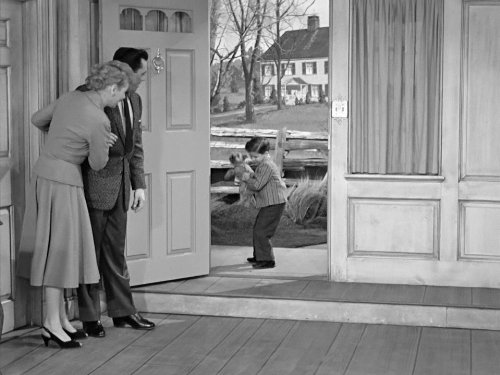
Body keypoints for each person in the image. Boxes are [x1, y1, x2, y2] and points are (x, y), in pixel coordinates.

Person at [16, 61, 131, 348]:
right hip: (64, 181)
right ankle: (50, 324)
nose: (121, 101)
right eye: (121, 95)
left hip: (44, 173)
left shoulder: (71, 97)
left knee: (59, 249)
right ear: (112, 88)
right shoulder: (99, 120)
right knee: (59, 251)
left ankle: (60, 320)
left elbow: (36, 119)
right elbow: (97, 163)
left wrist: (64, 136)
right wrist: (103, 143)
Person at [77, 47, 155, 337]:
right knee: (89, 253)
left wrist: (139, 184)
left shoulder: (134, 99)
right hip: (94, 184)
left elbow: (136, 145)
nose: (144, 79)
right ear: (125, 70)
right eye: (142, 73)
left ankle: (123, 312)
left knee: (115, 253)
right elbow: (73, 130)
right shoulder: (90, 94)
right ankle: (88, 317)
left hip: (122, 187)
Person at [239, 137, 287, 269]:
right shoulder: (263, 163)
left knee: (262, 231)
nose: (252, 159)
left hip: (275, 202)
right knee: (258, 228)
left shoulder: (266, 165)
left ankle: (267, 260)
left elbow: (257, 185)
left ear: (265, 153)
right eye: (251, 156)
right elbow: (258, 178)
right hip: (270, 202)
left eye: (255, 157)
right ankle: (259, 256)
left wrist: (246, 178)